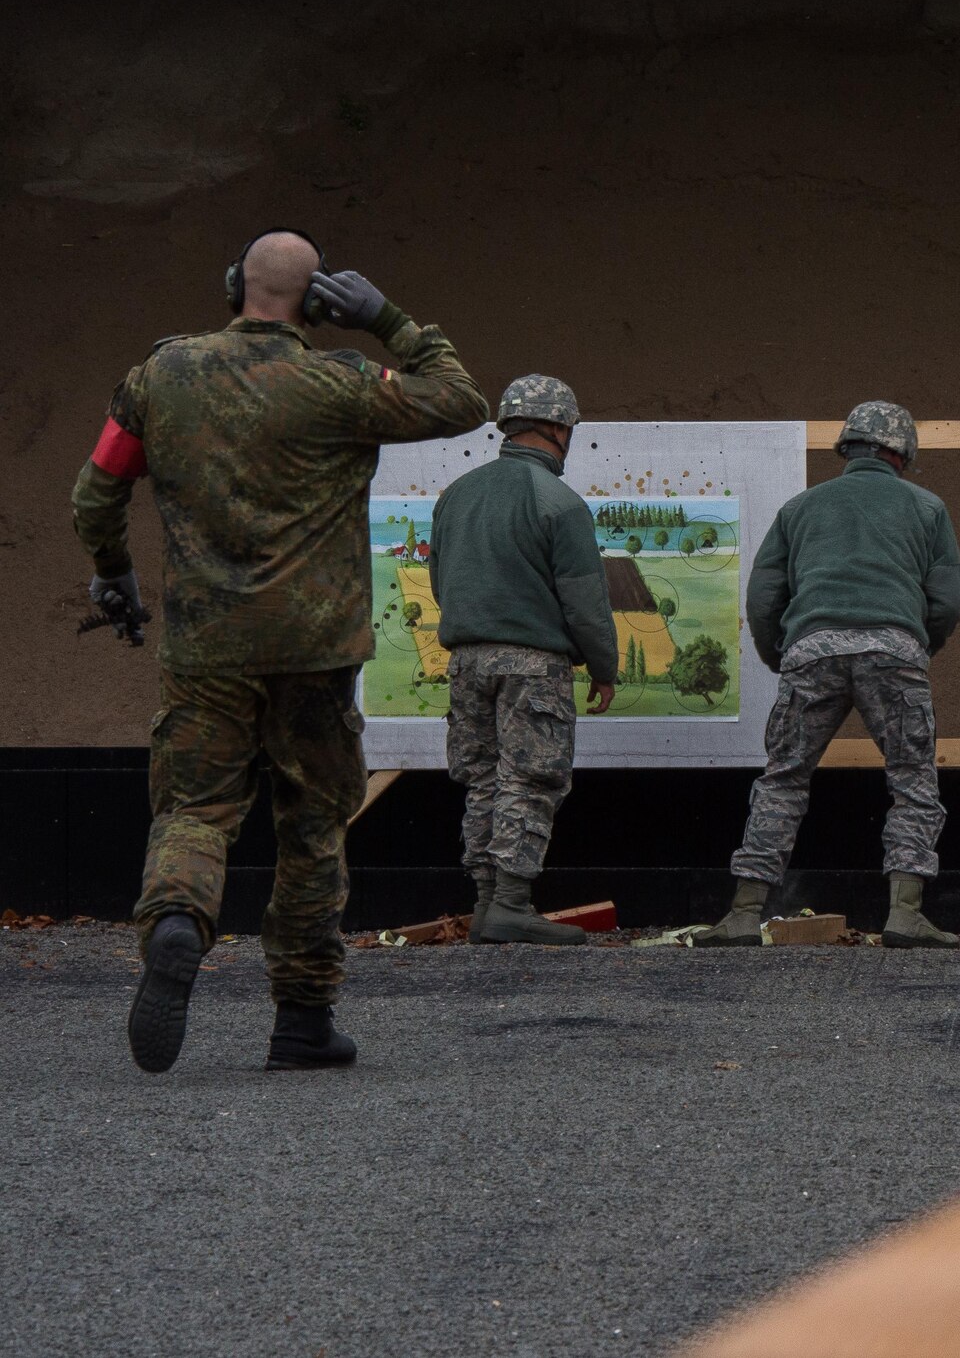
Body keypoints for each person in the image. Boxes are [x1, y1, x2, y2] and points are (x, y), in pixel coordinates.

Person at [73, 228, 488, 1073]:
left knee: (193, 811)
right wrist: (389, 320)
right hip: (316, 653)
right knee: (313, 829)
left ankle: (182, 920)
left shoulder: (159, 377)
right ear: (320, 301)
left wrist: (115, 572)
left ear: (235, 286)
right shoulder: (341, 384)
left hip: (205, 651)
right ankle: (301, 1021)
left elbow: (96, 490)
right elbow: (461, 400)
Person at [705, 401, 960, 949]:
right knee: (912, 779)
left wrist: (782, 653)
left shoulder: (800, 507)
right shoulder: (927, 507)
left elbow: (763, 595)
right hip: (894, 652)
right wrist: (917, 646)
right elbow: (946, 600)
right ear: (901, 450)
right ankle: (904, 913)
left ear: (847, 447)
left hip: (811, 652)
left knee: (783, 778)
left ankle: (743, 913)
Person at [428, 376, 617, 945]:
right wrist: (603, 667)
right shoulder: (559, 502)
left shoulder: (455, 495)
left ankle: (487, 904)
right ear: (559, 428)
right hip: (533, 667)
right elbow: (585, 602)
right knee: (530, 778)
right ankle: (510, 902)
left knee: (482, 777)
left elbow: (441, 582)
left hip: (466, 662)